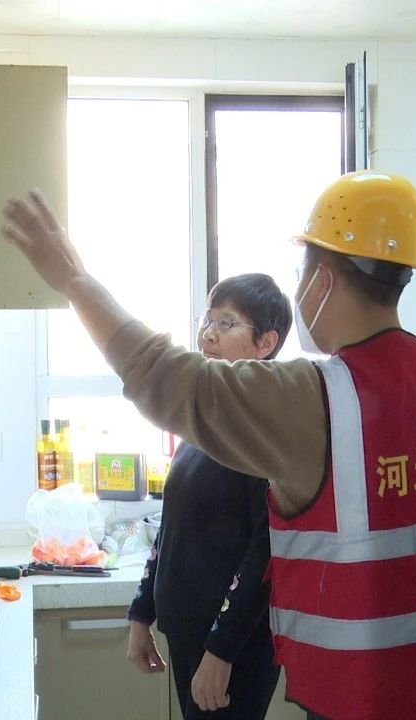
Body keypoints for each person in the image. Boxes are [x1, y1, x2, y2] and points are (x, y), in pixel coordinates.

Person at [1, 170, 416, 720]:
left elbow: (168, 377)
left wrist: (73, 280)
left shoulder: (313, 397)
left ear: (322, 279)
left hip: (359, 699)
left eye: (302, 271)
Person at [126, 273, 292, 720]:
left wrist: (221, 651)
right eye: (208, 319)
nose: (209, 334)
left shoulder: (264, 427)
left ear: (266, 343)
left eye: (227, 323)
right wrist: (142, 612)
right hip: (188, 635)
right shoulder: (206, 417)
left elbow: (267, 553)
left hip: (232, 650)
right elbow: (172, 524)